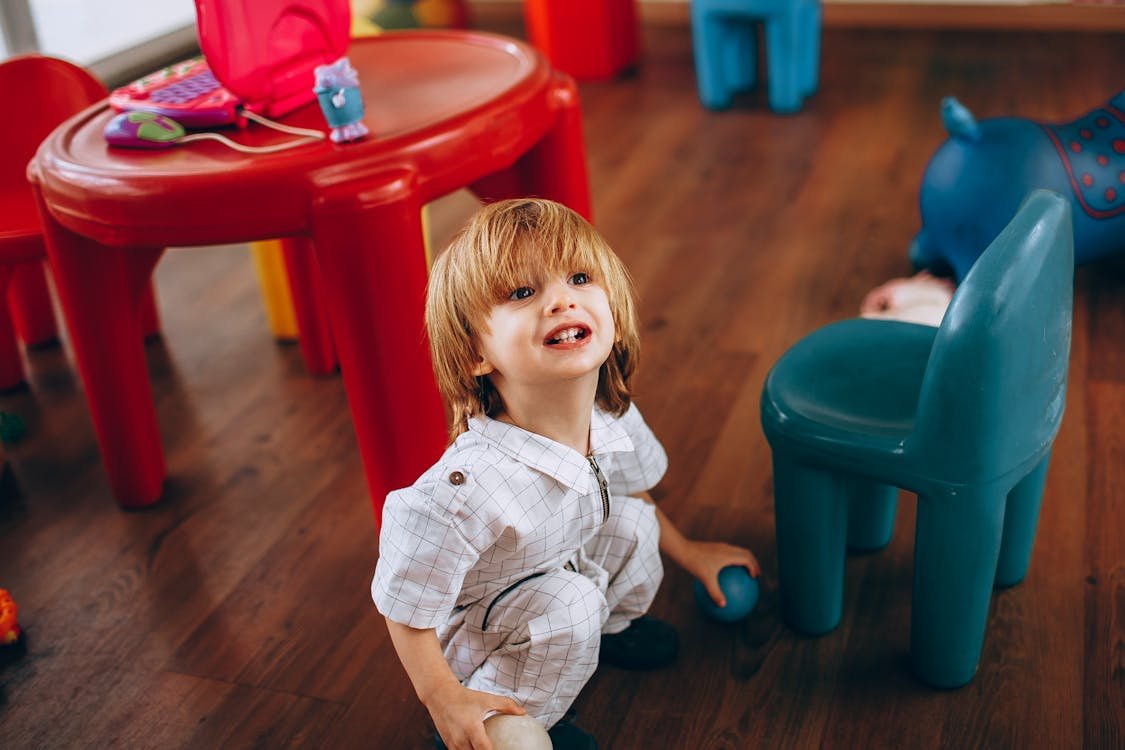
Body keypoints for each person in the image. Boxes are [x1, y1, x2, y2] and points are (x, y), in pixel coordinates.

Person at [372, 199, 759, 750]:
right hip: (487, 629)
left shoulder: (608, 415)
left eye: (579, 278)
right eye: (522, 293)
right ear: (476, 356)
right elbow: (404, 603)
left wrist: (690, 551)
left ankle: (611, 632)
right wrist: (443, 699)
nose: (560, 298)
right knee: (569, 604)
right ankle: (504, 719)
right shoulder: (466, 488)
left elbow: (630, 489)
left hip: (563, 564)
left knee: (633, 522)